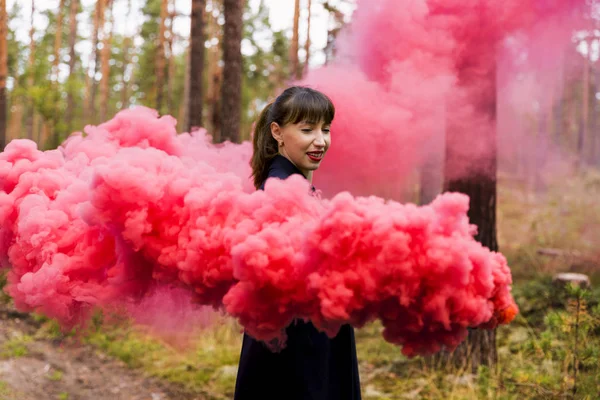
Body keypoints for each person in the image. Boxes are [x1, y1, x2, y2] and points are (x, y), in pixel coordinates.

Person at [234, 86, 362, 400]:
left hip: (300, 338)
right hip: (299, 345)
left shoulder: (290, 182)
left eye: (325, 129)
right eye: (307, 130)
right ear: (277, 132)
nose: (320, 141)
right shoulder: (280, 189)